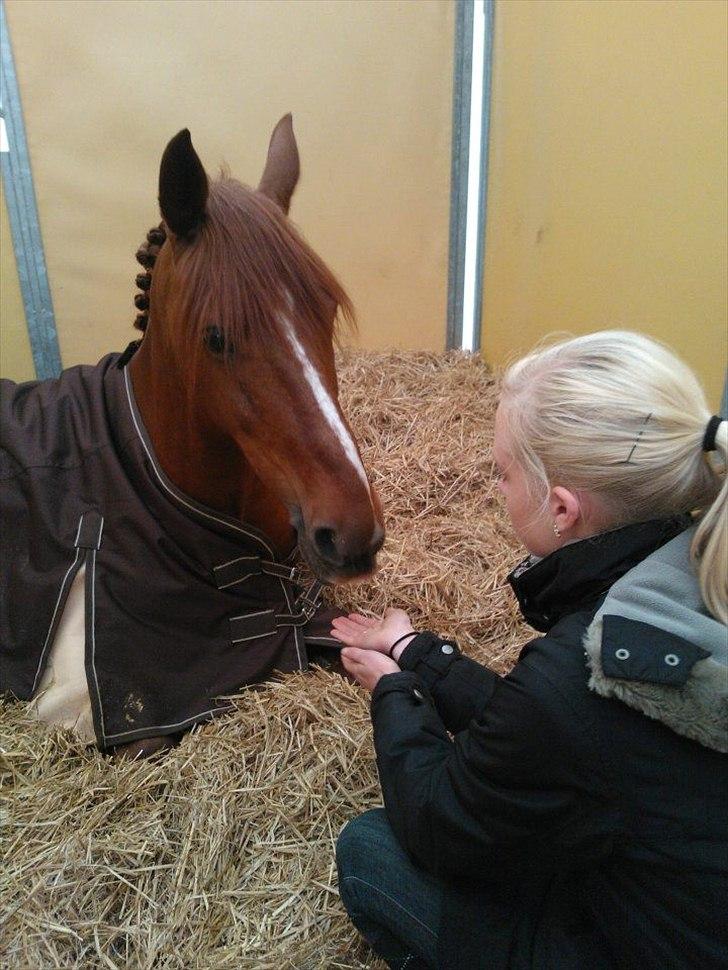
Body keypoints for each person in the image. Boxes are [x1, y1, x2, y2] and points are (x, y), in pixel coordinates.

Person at [330, 331, 727, 970]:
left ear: (563, 508)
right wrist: (415, 651)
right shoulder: (693, 568)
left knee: (370, 851)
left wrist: (392, 691)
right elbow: (554, 737)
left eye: (504, 472)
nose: (498, 487)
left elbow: (441, 821)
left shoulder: (575, 674)